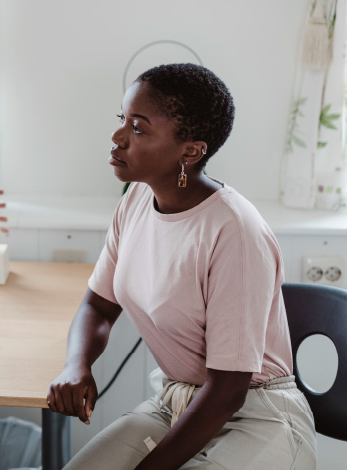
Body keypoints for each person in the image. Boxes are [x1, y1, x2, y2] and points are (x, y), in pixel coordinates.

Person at [47, 63, 317, 469]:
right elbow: (98, 306)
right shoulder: (136, 201)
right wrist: (77, 365)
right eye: (123, 119)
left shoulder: (235, 233)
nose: (118, 137)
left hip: (258, 415)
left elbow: (228, 391)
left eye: (139, 128)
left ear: (190, 151)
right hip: (178, 401)